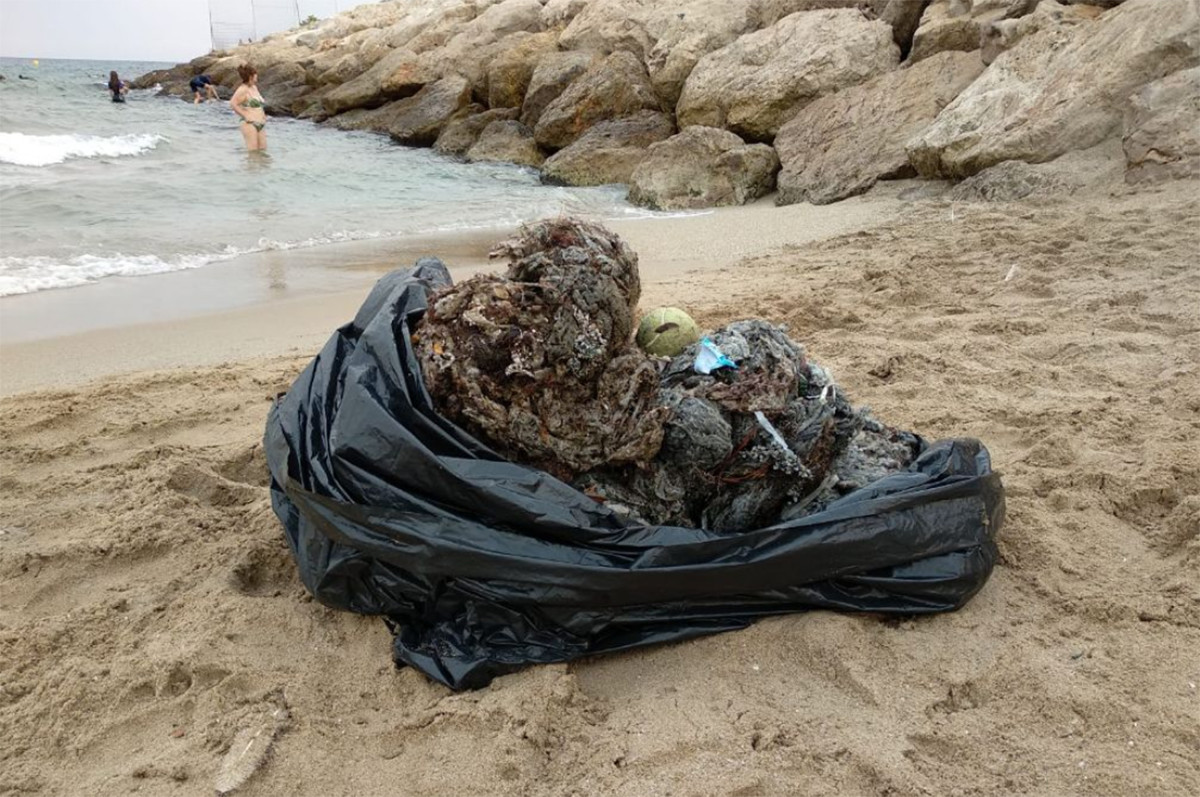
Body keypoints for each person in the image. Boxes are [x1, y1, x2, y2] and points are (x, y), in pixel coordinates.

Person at [231, 64, 267, 152]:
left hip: (261, 123)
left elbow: (259, 105)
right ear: (251, 76)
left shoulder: (254, 87)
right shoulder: (243, 89)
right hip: (250, 124)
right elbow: (233, 103)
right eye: (255, 74)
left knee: (263, 152)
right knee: (253, 153)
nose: (257, 76)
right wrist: (245, 115)